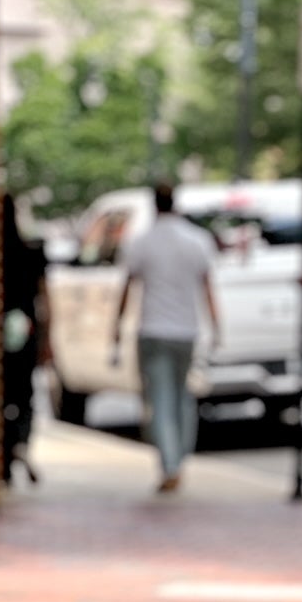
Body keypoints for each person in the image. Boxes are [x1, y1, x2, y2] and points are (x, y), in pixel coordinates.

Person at [112, 182, 219, 492]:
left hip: (153, 329)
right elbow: (208, 289)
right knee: (181, 395)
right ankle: (179, 457)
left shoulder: (142, 242)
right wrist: (216, 327)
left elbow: (127, 288)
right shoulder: (196, 240)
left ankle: (170, 463)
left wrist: (116, 329)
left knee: (160, 398)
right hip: (186, 330)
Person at [2, 193, 51, 484]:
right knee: (24, 395)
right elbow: (46, 301)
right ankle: (20, 443)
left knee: (3, 394)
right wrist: (48, 339)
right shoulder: (31, 252)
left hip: (5, 331)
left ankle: (8, 452)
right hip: (27, 331)